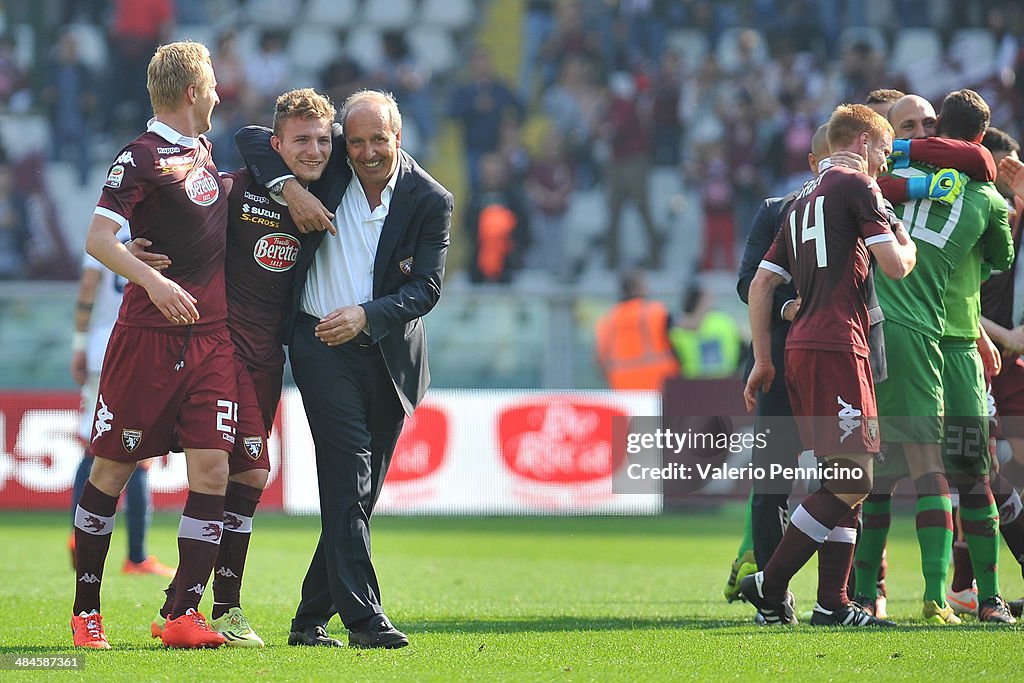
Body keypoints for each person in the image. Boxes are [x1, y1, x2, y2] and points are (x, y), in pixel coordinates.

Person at [235, 88, 452, 649]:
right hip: (317, 346)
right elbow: (252, 138)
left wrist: (366, 315)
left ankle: (308, 622)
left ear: (398, 138)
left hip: (387, 358)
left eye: (377, 139)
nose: (366, 152)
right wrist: (288, 188)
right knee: (350, 476)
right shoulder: (326, 168)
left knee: (356, 495)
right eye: (354, 142)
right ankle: (364, 620)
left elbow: (426, 289)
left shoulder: (431, 199)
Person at [149, 88, 337, 648]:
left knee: (243, 476)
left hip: (268, 360)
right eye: (301, 140)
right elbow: (181, 220)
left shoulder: (328, 190)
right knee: (251, 472)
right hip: (220, 351)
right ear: (277, 144)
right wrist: (138, 250)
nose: (314, 150)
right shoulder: (233, 189)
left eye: (322, 140)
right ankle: (206, 607)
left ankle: (188, 608)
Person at [71, 40, 233, 650]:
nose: (218, 93)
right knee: (113, 467)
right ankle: (86, 612)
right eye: (212, 84)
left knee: (212, 468)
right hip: (148, 337)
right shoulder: (139, 156)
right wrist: (154, 281)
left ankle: (181, 614)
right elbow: (97, 239)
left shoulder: (204, 151)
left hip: (211, 339)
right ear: (193, 92)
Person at [739, 103, 917, 627]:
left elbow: (761, 284)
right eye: (885, 150)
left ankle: (831, 604)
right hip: (839, 346)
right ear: (863, 143)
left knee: (841, 474)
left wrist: (762, 359)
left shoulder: (798, 203)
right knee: (855, 476)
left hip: (801, 349)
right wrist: (903, 238)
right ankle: (769, 585)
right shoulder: (858, 187)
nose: (886, 163)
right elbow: (896, 267)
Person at [854, 91, 1016, 625]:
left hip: (950, 343)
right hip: (937, 344)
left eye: (929, 123)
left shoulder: (888, 188)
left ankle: (973, 596)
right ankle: (937, 596)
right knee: (942, 473)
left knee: (960, 473)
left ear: (942, 126)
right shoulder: (980, 194)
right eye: (911, 124)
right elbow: (1000, 258)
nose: (922, 132)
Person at [69, 225, 174, 579]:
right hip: (140, 344)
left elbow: (88, 286)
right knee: (138, 455)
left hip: (102, 345)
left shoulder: (107, 230)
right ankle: (137, 556)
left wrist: (79, 344)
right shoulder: (160, 225)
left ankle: (77, 532)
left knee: (94, 445)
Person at [595, 269, 679, 390]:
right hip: (659, 388)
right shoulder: (657, 312)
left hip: (624, 391)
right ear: (638, 287)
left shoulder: (608, 320)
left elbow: (599, 361)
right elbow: (684, 334)